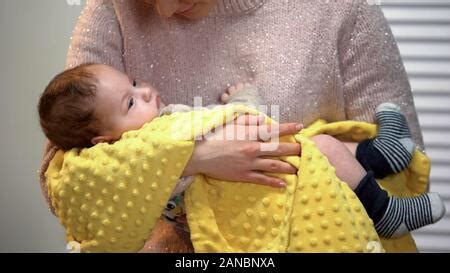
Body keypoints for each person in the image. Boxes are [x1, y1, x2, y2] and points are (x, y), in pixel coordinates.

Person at [40, 0, 427, 252]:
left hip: (320, 232)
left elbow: (409, 165)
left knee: (321, 146)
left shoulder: (341, 9)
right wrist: (196, 159)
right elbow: (64, 183)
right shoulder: (111, 10)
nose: (163, 11)